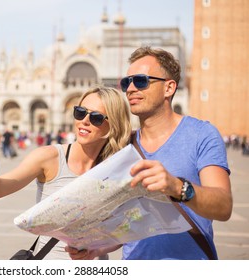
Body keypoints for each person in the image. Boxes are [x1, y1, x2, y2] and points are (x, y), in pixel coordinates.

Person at [66, 46, 233, 260]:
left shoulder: (201, 134)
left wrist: (178, 187)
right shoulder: (124, 146)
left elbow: (223, 206)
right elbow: (129, 223)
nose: (131, 88)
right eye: (127, 82)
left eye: (141, 80)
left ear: (169, 88)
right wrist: (97, 248)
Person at [0, 86, 132, 259]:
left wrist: (97, 250)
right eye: (80, 112)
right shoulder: (49, 157)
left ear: (114, 123)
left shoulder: (117, 169)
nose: (84, 121)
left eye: (96, 117)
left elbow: (123, 230)